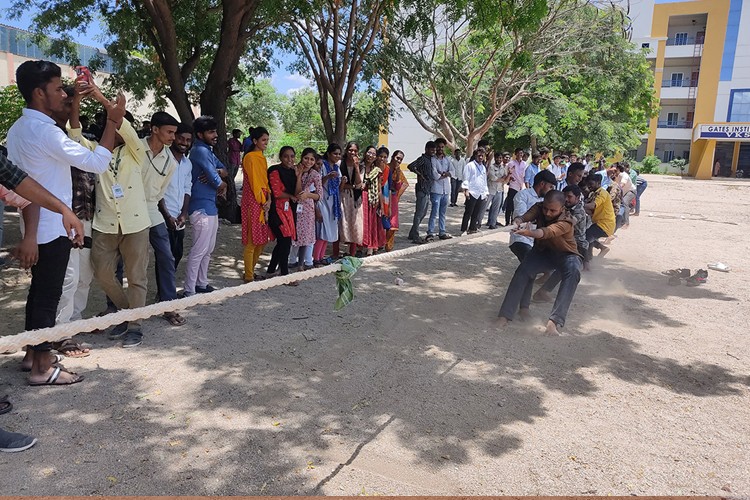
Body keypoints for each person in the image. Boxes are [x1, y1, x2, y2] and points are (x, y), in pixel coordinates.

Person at [7, 60, 122, 382]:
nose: (63, 95)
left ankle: (33, 355)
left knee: (39, 294)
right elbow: (97, 162)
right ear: (39, 93)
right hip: (50, 226)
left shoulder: (19, 128)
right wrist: (112, 122)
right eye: (58, 89)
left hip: (37, 223)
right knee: (48, 295)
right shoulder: (44, 132)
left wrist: (77, 99)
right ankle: (43, 369)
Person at [496, 190, 583, 336]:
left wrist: (530, 233)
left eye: (552, 210)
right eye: (545, 209)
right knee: (522, 272)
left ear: (562, 208)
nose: (547, 213)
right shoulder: (539, 207)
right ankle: (504, 316)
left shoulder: (567, 221)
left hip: (566, 255)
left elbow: (547, 232)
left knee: (573, 271)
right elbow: (524, 217)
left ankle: (553, 322)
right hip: (542, 252)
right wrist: (517, 221)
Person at [140, 111, 184, 328]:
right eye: (169, 132)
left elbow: (160, 194)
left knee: (166, 256)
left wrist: (164, 215)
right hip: (129, 210)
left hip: (152, 210)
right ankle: (117, 309)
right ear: (154, 129)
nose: (173, 138)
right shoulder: (135, 148)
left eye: (174, 133)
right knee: (127, 260)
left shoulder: (171, 161)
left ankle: (168, 303)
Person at [183, 116, 228, 296]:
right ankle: (189, 289)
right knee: (199, 250)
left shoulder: (207, 151)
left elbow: (224, 170)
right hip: (200, 207)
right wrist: (220, 181)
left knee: (208, 249)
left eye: (215, 131)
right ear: (200, 134)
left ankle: (201, 283)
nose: (215, 135)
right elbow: (220, 183)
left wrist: (216, 174)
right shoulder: (200, 151)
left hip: (210, 206)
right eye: (211, 132)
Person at [534, 184, 589, 300]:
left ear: (578, 198)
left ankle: (543, 291)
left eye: (569, 197)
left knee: (564, 268)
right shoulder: (564, 208)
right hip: (563, 242)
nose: (566, 199)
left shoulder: (579, 211)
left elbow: (570, 222)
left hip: (577, 245)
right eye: (564, 196)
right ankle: (543, 287)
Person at [159, 122, 193, 272]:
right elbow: (157, 190)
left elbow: (187, 189)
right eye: (181, 138)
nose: (184, 143)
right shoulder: (162, 159)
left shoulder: (187, 163)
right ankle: (164, 294)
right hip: (162, 217)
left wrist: (184, 214)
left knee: (177, 254)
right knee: (165, 257)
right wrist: (167, 216)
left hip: (179, 218)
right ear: (174, 138)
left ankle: (167, 291)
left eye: (188, 140)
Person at [240, 127, 271, 282]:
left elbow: (265, 181)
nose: (266, 143)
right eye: (263, 140)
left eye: (267, 140)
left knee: (262, 240)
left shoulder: (261, 157)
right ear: (255, 141)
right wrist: (263, 201)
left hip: (263, 202)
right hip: (253, 203)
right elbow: (255, 183)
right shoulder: (250, 157)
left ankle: (250, 271)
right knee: (252, 242)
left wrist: (269, 199)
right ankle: (249, 276)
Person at [266, 146, 301, 282]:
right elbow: (276, 192)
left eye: (292, 156)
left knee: (283, 242)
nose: (289, 159)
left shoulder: (293, 172)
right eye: (286, 156)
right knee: (284, 241)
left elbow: (298, 192)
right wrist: (290, 196)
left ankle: (271, 270)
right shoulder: (275, 171)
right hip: (277, 210)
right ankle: (285, 274)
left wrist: (299, 177)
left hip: (288, 211)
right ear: (280, 157)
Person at [508, 170, 557, 262]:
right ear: (542, 184)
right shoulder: (522, 195)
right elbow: (521, 217)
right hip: (522, 239)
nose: (551, 190)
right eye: (550, 187)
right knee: (531, 263)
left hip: (539, 240)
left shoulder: (547, 200)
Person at [289, 148, 321, 268]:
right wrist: (299, 176)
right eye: (306, 158)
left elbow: (319, 195)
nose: (308, 161)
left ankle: (303, 263)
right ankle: (291, 260)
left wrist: (308, 195)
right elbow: (296, 192)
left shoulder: (315, 175)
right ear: (301, 157)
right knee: (293, 233)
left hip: (307, 208)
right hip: (293, 205)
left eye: (312, 159)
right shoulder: (293, 170)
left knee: (305, 235)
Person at [313, 143, 342, 265]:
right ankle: (315, 258)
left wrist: (343, 181)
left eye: (339, 154)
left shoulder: (336, 167)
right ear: (329, 153)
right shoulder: (322, 165)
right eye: (335, 153)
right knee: (322, 231)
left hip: (333, 202)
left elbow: (339, 186)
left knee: (329, 231)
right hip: (323, 200)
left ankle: (321, 256)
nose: (337, 156)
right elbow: (317, 183)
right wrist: (327, 177)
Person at [407, 141, 436, 243]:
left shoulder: (431, 160)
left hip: (428, 189)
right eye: (431, 149)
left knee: (423, 213)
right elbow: (410, 166)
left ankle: (412, 232)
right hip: (422, 188)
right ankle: (415, 236)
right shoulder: (422, 159)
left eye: (434, 149)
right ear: (426, 149)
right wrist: (419, 174)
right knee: (419, 213)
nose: (433, 151)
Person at [338, 141, 364, 256]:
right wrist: (351, 186)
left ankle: (351, 253)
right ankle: (336, 253)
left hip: (355, 199)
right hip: (343, 197)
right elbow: (339, 184)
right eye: (350, 150)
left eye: (355, 151)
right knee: (342, 223)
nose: (352, 152)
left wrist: (356, 167)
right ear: (346, 150)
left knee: (355, 224)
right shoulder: (340, 164)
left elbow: (359, 184)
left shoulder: (360, 165)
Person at [583, 174, 616, 260]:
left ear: (598, 183)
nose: (589, 186)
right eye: (588, 184)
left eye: (591, 184)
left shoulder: (602, 193)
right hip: (600, 223)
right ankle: (600, 250)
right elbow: (590, 211)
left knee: (586, 237)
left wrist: (580, 205)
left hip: (605, 224)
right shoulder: (594, 193)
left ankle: (587, 261)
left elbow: (593, 205)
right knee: (587, 236)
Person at [460, 147, 489, 234]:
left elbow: (484, 181)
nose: (480, 157)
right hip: (472, 192)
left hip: (480, 192)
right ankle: (464, 229)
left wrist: (486, 192)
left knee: (476, 212)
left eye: (482, 156)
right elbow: (465, 178)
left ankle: (472, 228)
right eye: (479, 155)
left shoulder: (483, 167)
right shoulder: (470, 165)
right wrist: (466, 190)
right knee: (468, 212)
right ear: (475, 155)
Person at [427, 138, 452, 240]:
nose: (440, 149)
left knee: (442, 213)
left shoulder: (447, 159)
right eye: (438, 147)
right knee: (434, 212)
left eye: (442, 147)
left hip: (446, 190)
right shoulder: (433, 159)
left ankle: (442, 231)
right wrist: (444, 174)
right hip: (436, 190)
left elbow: (452, 171)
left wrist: (445, 174)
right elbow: (434, 174)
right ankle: (430, 232)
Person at [360, 145, 383, 254]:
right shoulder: (360, 167)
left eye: (374, 154)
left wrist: (380, 203)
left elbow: (379, 188)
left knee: (372, 222)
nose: (371, 155)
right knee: (362, 222)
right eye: (369, 153)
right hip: (361, 197)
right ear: (365, 153)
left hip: (372, 199)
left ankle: (371, 246)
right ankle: (360, 246)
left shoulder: (376, 170)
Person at [385, 150, 408, 251]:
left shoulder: (398, 171)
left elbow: (401, 185)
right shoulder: (385, 167)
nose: (398, 161)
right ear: (392, 157)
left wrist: (398, 172)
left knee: (393, 223)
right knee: (382, 221)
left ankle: (388, 245)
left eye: (401, 159)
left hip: (393, 198)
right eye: (397, 158)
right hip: (384, 197)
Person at [486, 151, 510, 229]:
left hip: (499, 190)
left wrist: (509, 175)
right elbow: (493, 178)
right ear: (495, 158)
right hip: (491, 189)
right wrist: (502, 179)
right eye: (498, 158)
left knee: (496, 208)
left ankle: (492, 224)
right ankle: (477, 222)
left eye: (500, 158)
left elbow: (506, 180)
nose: (499, 159)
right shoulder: (491, 167)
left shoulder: (504, 168)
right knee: (484, 207)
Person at [504, 147, 527, 225]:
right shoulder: (511, 163)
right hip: (513, 185)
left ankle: (513, 220)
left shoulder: (524, 164)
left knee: (516, 205)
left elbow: (524, 175)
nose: (520, 155)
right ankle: (507, 221)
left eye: (521, 153)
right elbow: (507, 173)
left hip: (520, 186)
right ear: (516, 154)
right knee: (510, 204)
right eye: (519, 153)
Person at [616, 164, 636, 229]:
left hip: (631, 191)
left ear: (618, 169)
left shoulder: (624, 175)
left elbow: (622, 185)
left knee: (625, 202)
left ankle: (626, 223)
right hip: (623, 192)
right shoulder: (615, 175)